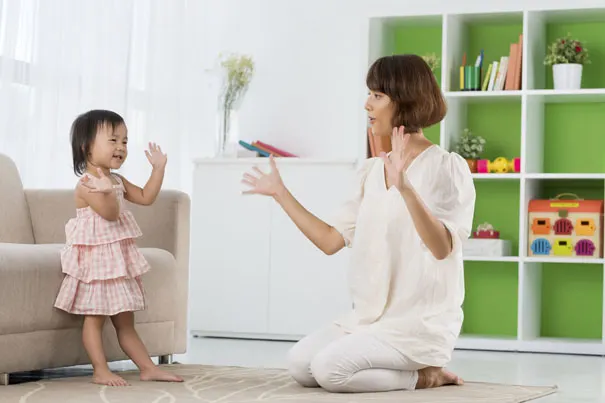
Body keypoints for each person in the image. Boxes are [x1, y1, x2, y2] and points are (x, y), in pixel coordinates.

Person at [240, 54, 476, 393]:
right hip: (369, 319)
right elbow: (330, 241)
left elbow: (442, 249)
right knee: (301, 365)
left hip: (418, 324)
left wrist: (406, 189)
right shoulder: (371, 172)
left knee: (329, 371)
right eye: (369, 94)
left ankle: (426, 375)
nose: (367, 104)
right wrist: (281, 194)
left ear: (405, 100)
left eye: (377, 95)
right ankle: (408, 370)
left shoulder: (446, 167)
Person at [54, 110, 183, 386]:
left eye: (124, 141)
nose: (121, 147)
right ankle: (100, 370)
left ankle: (147, 367)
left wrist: (158, 170)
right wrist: (106, 192)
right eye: (113, 140)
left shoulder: (116, 181)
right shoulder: (87, 184)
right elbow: (111, 214)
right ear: (86, 147)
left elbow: (146, 197)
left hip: (117, 263)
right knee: (95, 319)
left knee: (126, 322)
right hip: (96, 266)